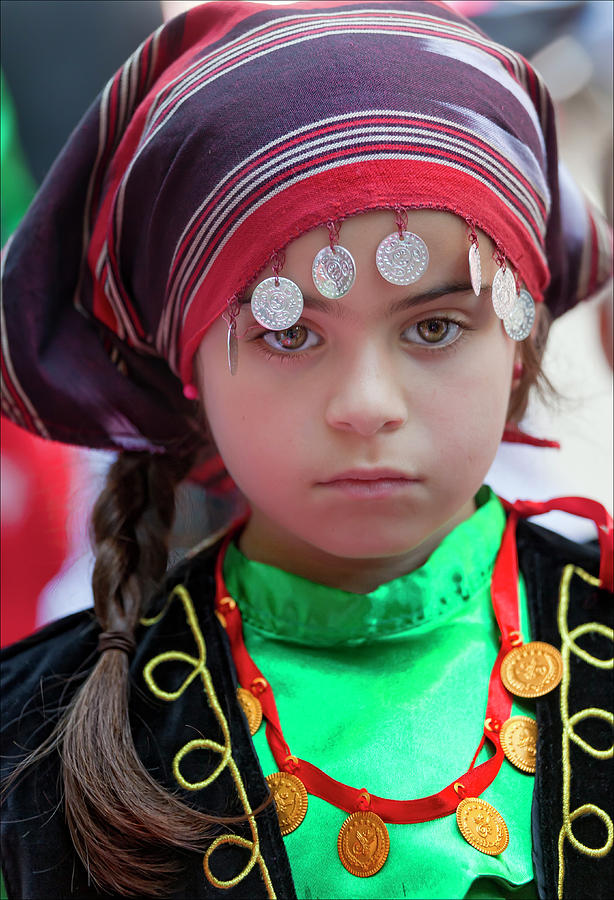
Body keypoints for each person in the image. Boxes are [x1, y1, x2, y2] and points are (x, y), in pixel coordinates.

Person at [1, 2, 612, 899]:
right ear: (189, 362)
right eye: (289, 334)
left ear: (518, 345)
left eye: (436, 325)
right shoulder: (35, 743)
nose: (367, 407)